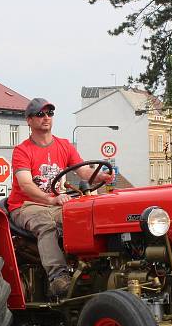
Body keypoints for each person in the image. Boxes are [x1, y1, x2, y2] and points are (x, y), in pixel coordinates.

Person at [7, 97, 113, 300]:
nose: (46, 118)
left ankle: (92, 270)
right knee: (46, 225)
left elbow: (83, 171)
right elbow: (26, 185)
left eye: (49, 113)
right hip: (25, 205)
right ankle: (58, 278)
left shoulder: (64, 145)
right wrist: (50, 199)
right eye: (40, 114)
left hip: (55, 203)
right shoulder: (22, 150)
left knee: (84, 218)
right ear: (29, 120)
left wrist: (99, 176)